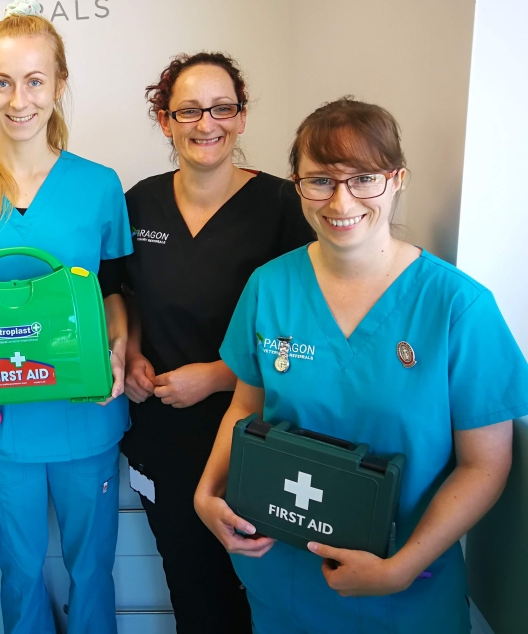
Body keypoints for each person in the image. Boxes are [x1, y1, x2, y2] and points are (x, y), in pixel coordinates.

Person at [194, 97, 528, 633]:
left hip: (404, 590)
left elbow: (485, 464)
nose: (341, 200)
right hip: (285, 575)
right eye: (320, 180)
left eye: (364, 178)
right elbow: (245, 405)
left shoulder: (456, 306)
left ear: (396, 179)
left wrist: (401, 569)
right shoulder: (270, 286)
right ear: (297, 185)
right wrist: (207, 493)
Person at [0, 0, 132, 634]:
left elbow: (116, 291)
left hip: (82, 412)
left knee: (92, 565)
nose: (20, 99)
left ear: (60, 85)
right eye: (3, 82)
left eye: (35, 80)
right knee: (16, 566)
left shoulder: (98, 186)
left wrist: (118, 352)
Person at [117, 52, 313, 633]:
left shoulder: (286, 208)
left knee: (268, 587)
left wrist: (218, 375)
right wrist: (128, 353)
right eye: (189, 110)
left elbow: (306, 331)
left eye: (222, 108)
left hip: (259, 433)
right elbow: (121, 293)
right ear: (164, 119)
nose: (208, 123)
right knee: (191, 584)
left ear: (242, 116)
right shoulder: (139, 203)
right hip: (164, 433)